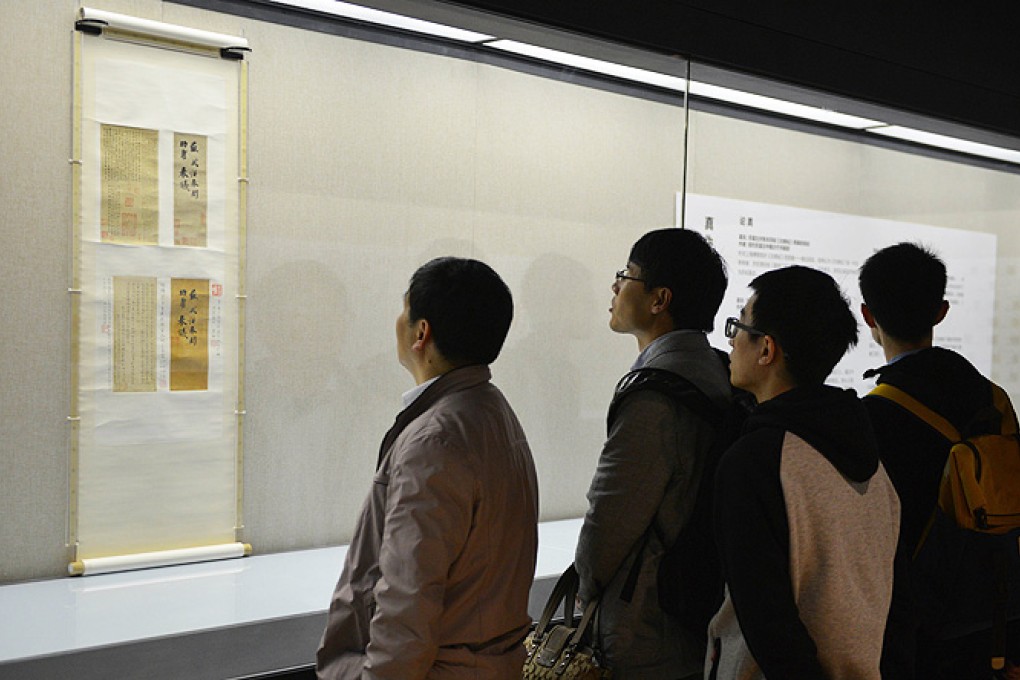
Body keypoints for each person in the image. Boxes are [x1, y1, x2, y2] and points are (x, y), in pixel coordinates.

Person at [316, 257, 539, 680]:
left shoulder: (434, 440)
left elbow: (407, 597)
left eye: (404, 310)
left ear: (421, 333)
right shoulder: (491, 409)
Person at [708, 265, 900, 680]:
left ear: (766, 350)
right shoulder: (871, 460)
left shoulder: (755, 460)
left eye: (739, 326)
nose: (731, 340)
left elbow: (766, 619)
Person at [575, 228, 732, 680]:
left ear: (659, 299)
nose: (615, 286)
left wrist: (586, 587)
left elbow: (611, 517)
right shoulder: (717, 371)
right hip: (695, 607)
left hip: (644, 626)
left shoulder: (655, 393)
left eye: (626, 275)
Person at [858, 242, 1020, 679]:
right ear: (942, 311)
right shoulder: (994, 398)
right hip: (995, 620)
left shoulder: (871, 415)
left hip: (915, 629)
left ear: (868, 315)